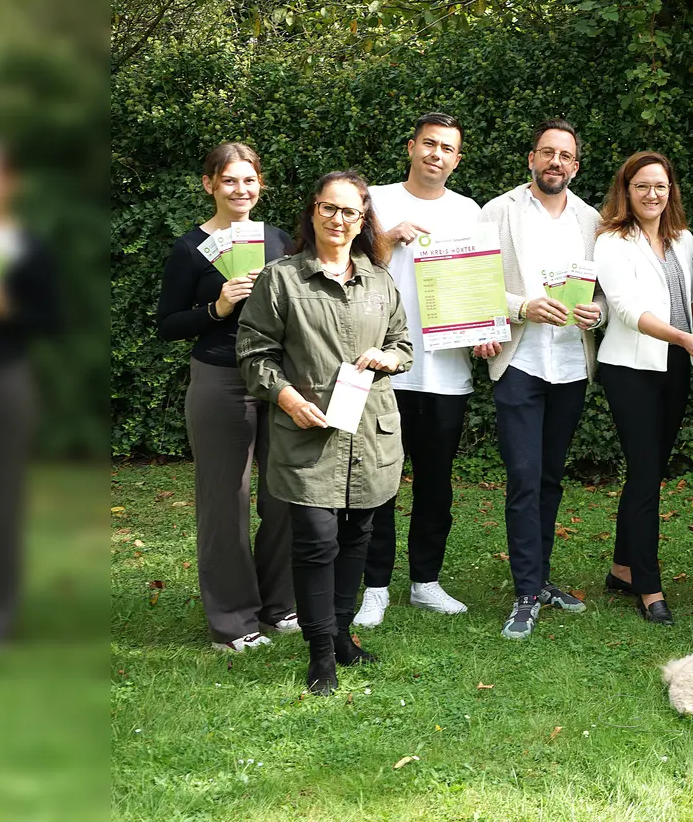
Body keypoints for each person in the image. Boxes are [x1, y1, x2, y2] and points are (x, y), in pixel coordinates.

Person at [236, 170, 413, 696]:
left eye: (351, 212)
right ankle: (320, 653)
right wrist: (285, 395)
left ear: (364, 220)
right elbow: (253, 353)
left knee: (358, 536)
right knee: (315, 541)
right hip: (307, 434)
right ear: (313, 211)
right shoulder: (282, 279)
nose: (339, 220)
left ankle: (340, 636)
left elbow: (404, 345)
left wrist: (387, 356)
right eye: (329, 209)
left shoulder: (379, 280)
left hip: (370, 433)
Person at [155, 142, 296, 653]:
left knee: (285, 496)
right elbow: (167, 324)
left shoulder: (279, 240)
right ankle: (233, 621)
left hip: (278, 378)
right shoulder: (190, 248)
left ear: (261, 184)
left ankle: (281, 605)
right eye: (229, 180)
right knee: (225, 503)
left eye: (249, 180)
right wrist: (216, 306)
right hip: (220, 380)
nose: (241, 190)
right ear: (209, 184)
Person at [355, 112, 489, 628]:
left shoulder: (469, 211)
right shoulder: (377, 201)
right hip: (384, 367)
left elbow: (477, 284)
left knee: (436, 482)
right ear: (411, 147)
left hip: (445, 370)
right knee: (380, 482)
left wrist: (483, 331)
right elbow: (348, 265)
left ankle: (426, 582)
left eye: (447, 148)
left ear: (457, 159)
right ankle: (375, 586)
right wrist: (387, 237)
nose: (436, 154)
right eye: (428, 144)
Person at [480, 118, 600, 640]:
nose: (556, 162)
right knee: (524, 478)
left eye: (566, 156)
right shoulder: (499, 212)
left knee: (550, 477)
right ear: (531, 158)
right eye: (547, 153)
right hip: (521, 362)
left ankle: (541, 577)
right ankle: (526, 591)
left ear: (576, 165)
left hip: (572, 364)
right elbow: (474, 283)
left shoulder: (593, 220)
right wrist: (522, 306)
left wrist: (596, 310)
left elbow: (602, 289)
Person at [595, 151, 693, 626]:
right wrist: (683, 334)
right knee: (645, 474)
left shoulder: (682, 239)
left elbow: (691, 303)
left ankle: (623, 567)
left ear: (671, 191)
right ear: (626, 190)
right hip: (631, 369)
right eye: (642, 186)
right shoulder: (611, 241)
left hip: (674, 367)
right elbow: (624, 309)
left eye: (660, 186)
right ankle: (648, 584)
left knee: (649, 473)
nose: (652, 194)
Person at [0, 143, 59, 647]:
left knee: (0, 499)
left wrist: (4, 305)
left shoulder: (28, 247)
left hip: (2, 381)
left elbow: (52, 321)